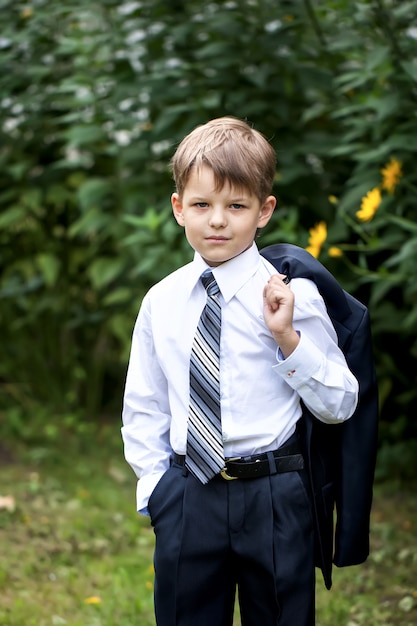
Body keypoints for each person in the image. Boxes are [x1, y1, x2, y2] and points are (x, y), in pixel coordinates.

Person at [121, 116, 359, 626]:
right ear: (178, 207)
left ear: (264, 211)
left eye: (236, 206)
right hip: (189, 495)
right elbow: (145, 404)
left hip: (272, 496)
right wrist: (158, 490)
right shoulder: (161, 302)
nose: (217, 221)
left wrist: (287, 339)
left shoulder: (292, 296)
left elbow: (340, 403)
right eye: (202, 205)